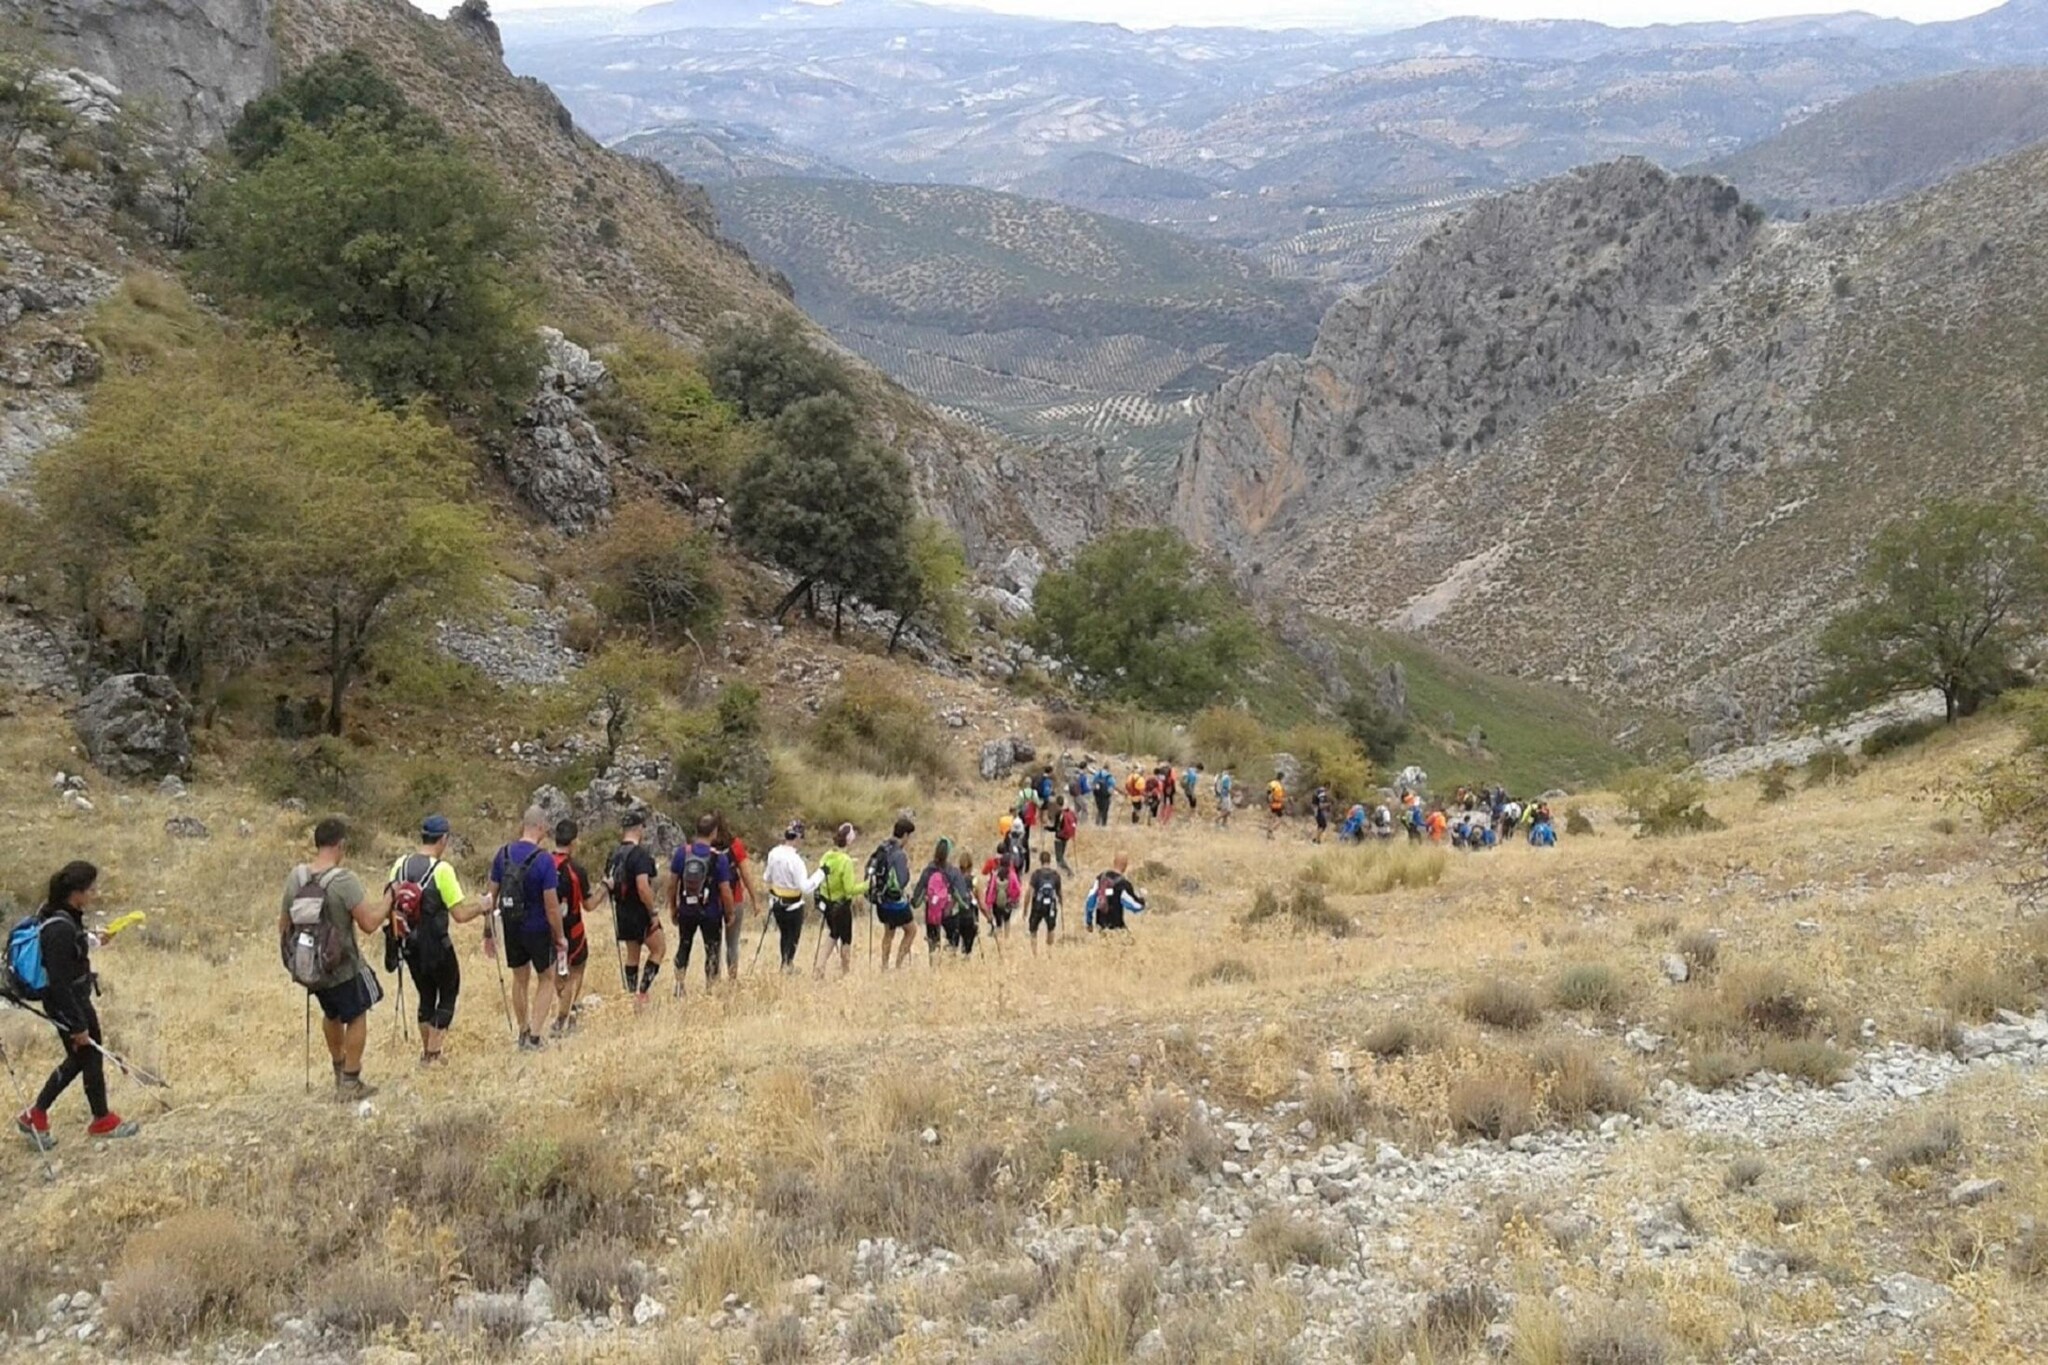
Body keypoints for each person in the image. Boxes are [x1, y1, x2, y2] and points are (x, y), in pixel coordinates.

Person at [13, 862, 139, 1144]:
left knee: (85, 1057)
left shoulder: (64, 916)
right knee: (86, 1055)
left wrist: (96, 940)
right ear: (76, 893)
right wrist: (77, 1024)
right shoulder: (60, 929)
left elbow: (74, 947)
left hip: (73, 999)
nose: (95, 893)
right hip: (67, 1002)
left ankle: (48, 1115)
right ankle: (90, 1119)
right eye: (91, 888)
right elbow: (58, 980)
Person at [282, 818, 390, 1095]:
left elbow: (284, 925)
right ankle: (351, 1081)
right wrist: (390, 901)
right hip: (342, 965)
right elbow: (369, 923)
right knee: (357, 1012)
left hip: (311, 966)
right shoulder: (344, 880)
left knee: (331, 1012)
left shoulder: (297, 878)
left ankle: (338, 1069)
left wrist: (297, 958)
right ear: (341, 845)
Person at [386, 814, 482, 1065]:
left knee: (426, 995)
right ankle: (433, 1054)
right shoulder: (442, 870)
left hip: (409, 945)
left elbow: (390, 902)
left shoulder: (400, 864)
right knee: (448, 993)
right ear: (443, 839)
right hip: (437, 945)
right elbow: (460, 914)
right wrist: (482, 906)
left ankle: (426, 1051)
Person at [487, 807, 566, 1052]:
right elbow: (552, 906)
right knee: (546, 978)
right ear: (540, 827)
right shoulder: (544, 860)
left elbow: (489, 897)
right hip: (538, 928)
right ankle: (534, 1036)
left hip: (511, 926)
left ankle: (522, 1030)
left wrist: (488, 932)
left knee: (519, 979)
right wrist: (560, 936)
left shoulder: (503, 854)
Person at [605, 810, 665, 1005]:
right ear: (640, 829)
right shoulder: (640, 855)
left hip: (622, 910)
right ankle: (642, 991)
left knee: (633, 954)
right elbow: (643, 886)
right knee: (658, 949)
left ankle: (631, 994)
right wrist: (652, 911)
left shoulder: (613, 854)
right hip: (639, 910)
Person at [549, 819, 603, 1034]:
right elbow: (588, 905)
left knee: (556, 971)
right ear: (574, 841)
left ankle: (563, 1006)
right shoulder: (576, 870)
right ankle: (565, 1015)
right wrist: (605, 889)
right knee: (576, 970)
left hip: (547, 929)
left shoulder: (542, 863)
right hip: (573, 930)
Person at [670, 814, 735, 991]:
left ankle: (679, 985)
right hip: (711, 912)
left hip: (687, 909)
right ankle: (710, 989)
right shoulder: (718, 858)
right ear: (714, 832)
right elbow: (725, 890)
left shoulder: (683, 853)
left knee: (684, 945)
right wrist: (729, 913)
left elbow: (672, 884)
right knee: (712, 951)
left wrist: (673, 907)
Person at [763, 821, 824, 972]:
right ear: (798, 838)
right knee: (793, 937)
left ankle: (785, 963)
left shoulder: (773, 853)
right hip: (793, 905)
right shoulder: (796, 861)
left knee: (784, 935)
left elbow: (767, 877)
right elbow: (805, 887)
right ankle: (787, 965)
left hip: (776, 903)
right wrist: (821, 874)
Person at [712, 813, 757, 981]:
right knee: (732, 943)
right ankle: (732, 979)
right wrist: (754, 899)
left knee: (714, 944)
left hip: (713, 901)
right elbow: (745, 874)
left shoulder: (707, 846)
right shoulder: (736, 845)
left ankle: (713, 979)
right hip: (735, 897)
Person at [815, 823, 861, 978]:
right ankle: (845, 971)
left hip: (827, 902)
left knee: (833, 934)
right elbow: (850, 889)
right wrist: (868, 885)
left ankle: (820, 967)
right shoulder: (845, 861)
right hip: (842, 904)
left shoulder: (826, 856)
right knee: (845, 938)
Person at [871, 816, 917, 970]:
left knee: (888, 933)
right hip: (895, 903)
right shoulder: (899, 854)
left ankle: (884, 966)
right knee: (911, 930)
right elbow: (902, 881)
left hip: (881, 900)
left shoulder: (882, 848)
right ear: (904, 835)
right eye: (909, 836)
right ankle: (898, 965)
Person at [910, 837, 961, 959]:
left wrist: (914, 901)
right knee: (952, 941)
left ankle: (934, 969)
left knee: (933, 943)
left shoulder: (928, 871)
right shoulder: (953, 871)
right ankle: (951, 966)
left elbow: (916, 900)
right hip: (949, 911)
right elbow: (960, 894)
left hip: (932, 911)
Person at [1090, 855, 1144, 933]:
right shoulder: (1123, 884)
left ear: (1114, 862)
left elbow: (1090, 900)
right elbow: (1134, 906)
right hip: (1116, 927)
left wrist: (1089, 921)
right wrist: (1142, 903)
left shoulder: (1101, 878)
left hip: (1100, 925)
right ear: (1125, 865)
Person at [979, 844, 1020, 934]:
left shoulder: (995, 874)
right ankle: (1007, 941)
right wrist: (1014, 899)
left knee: (998, 923)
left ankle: (999, 940)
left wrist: (989, 903)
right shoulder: (1012, 874)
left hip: (996, 902)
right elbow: (1017, 889)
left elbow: (992, 890)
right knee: (1007, 921)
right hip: (1008, 901)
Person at [1027, 850, 1061, 955]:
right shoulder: (1055, 875)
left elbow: (1030, 892)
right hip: (1051, 906)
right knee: (1051, 928)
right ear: (1050, 861)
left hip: (1037, 906)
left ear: (1040, 860)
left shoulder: (1036, 874)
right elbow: (1059, 892)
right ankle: (1049, 952)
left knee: (1033, 930)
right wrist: (1061, 903)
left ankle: (1034, 954)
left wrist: (1025, 908)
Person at [1053, 797, 1078, 873]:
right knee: (1061, 857)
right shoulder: (1070, 812)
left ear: (1057, 803)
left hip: (1059, 838)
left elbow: (1055, 828)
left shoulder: (1059, 813)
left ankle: (1069, 872)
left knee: (1059, 859)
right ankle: (1061, 872)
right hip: (1066, 837)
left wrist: (1046, 828)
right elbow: (1075, 822)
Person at [1265, 773, 1288, 839]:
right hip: (1277, 803)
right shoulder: (1279, 785)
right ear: (1282, 778)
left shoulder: (1272, 783)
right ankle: (1271, 830)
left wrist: (1269, 801)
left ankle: (1270, 834)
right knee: (1280, 819)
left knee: (1273, 818)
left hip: (1274, 803)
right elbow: (1270, 793)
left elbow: (1268, 793)